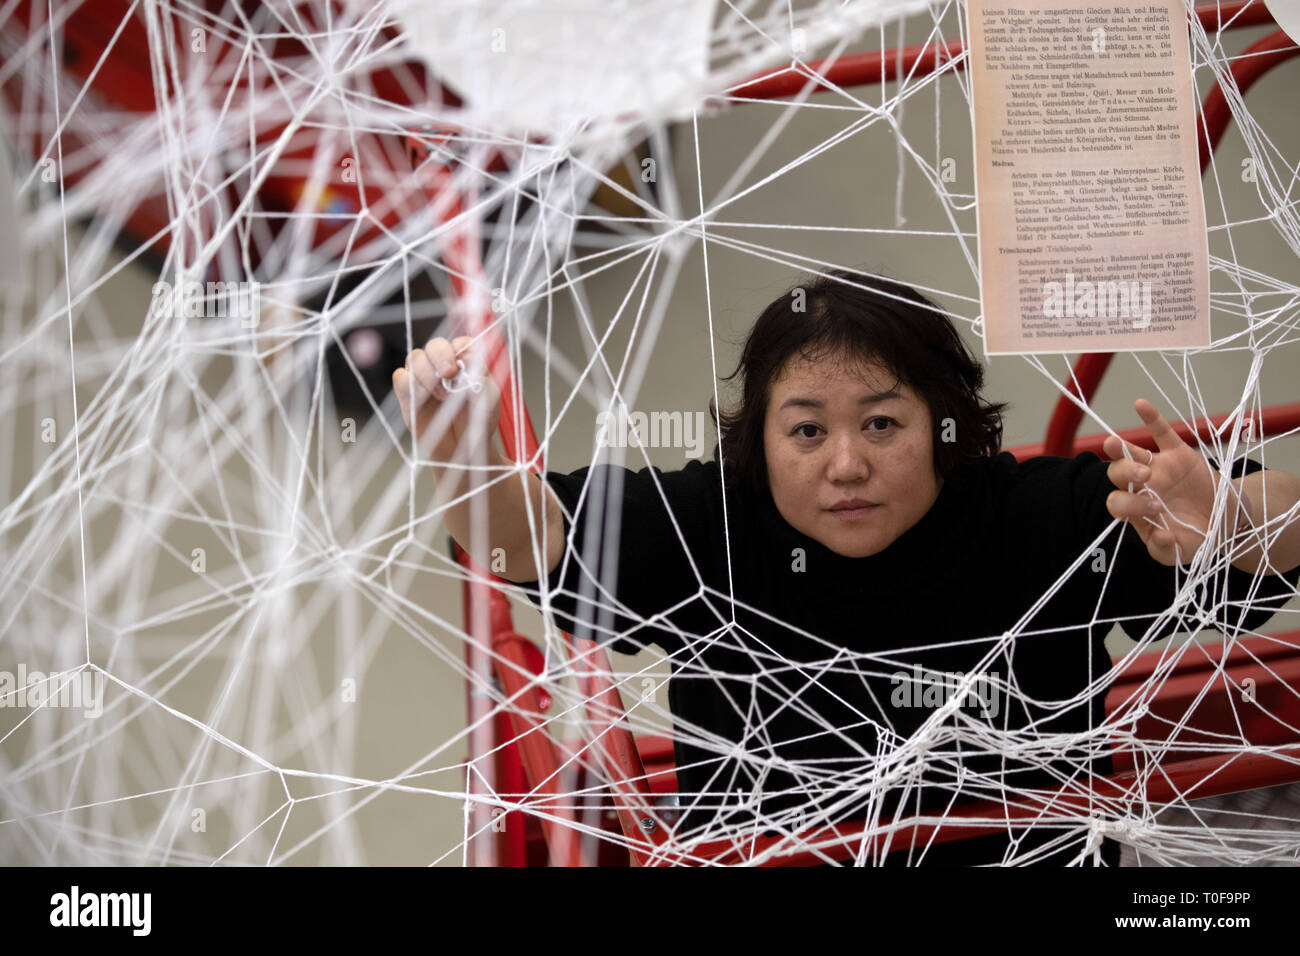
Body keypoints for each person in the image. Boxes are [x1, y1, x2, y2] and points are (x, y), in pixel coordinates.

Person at [392, 267, 1300, 866]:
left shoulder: (1039, 513)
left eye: (881, 423)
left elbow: (1280, 536)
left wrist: (1230, 520)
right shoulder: (714, 523)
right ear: (760, 443)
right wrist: (456, 446)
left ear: (947, 429)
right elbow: (525, 544)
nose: (846, 466)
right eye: (806, 431)